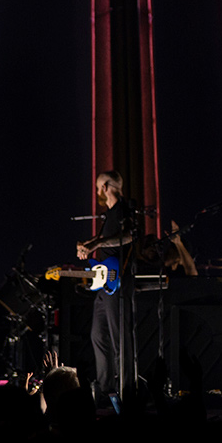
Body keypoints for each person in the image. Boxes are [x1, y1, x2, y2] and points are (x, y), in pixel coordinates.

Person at [76, 171, 133, 400]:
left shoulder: (124, 209)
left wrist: (97, 242)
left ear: (107, 186)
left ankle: (126, 389)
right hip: (104, 284)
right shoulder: (108, 215)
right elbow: (105, 244)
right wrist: (87, 245)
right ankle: (106, 390)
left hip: (117, 282)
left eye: (99, 187)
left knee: (119, 337)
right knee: (98, 335)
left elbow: (129, 236)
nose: (97, 191)